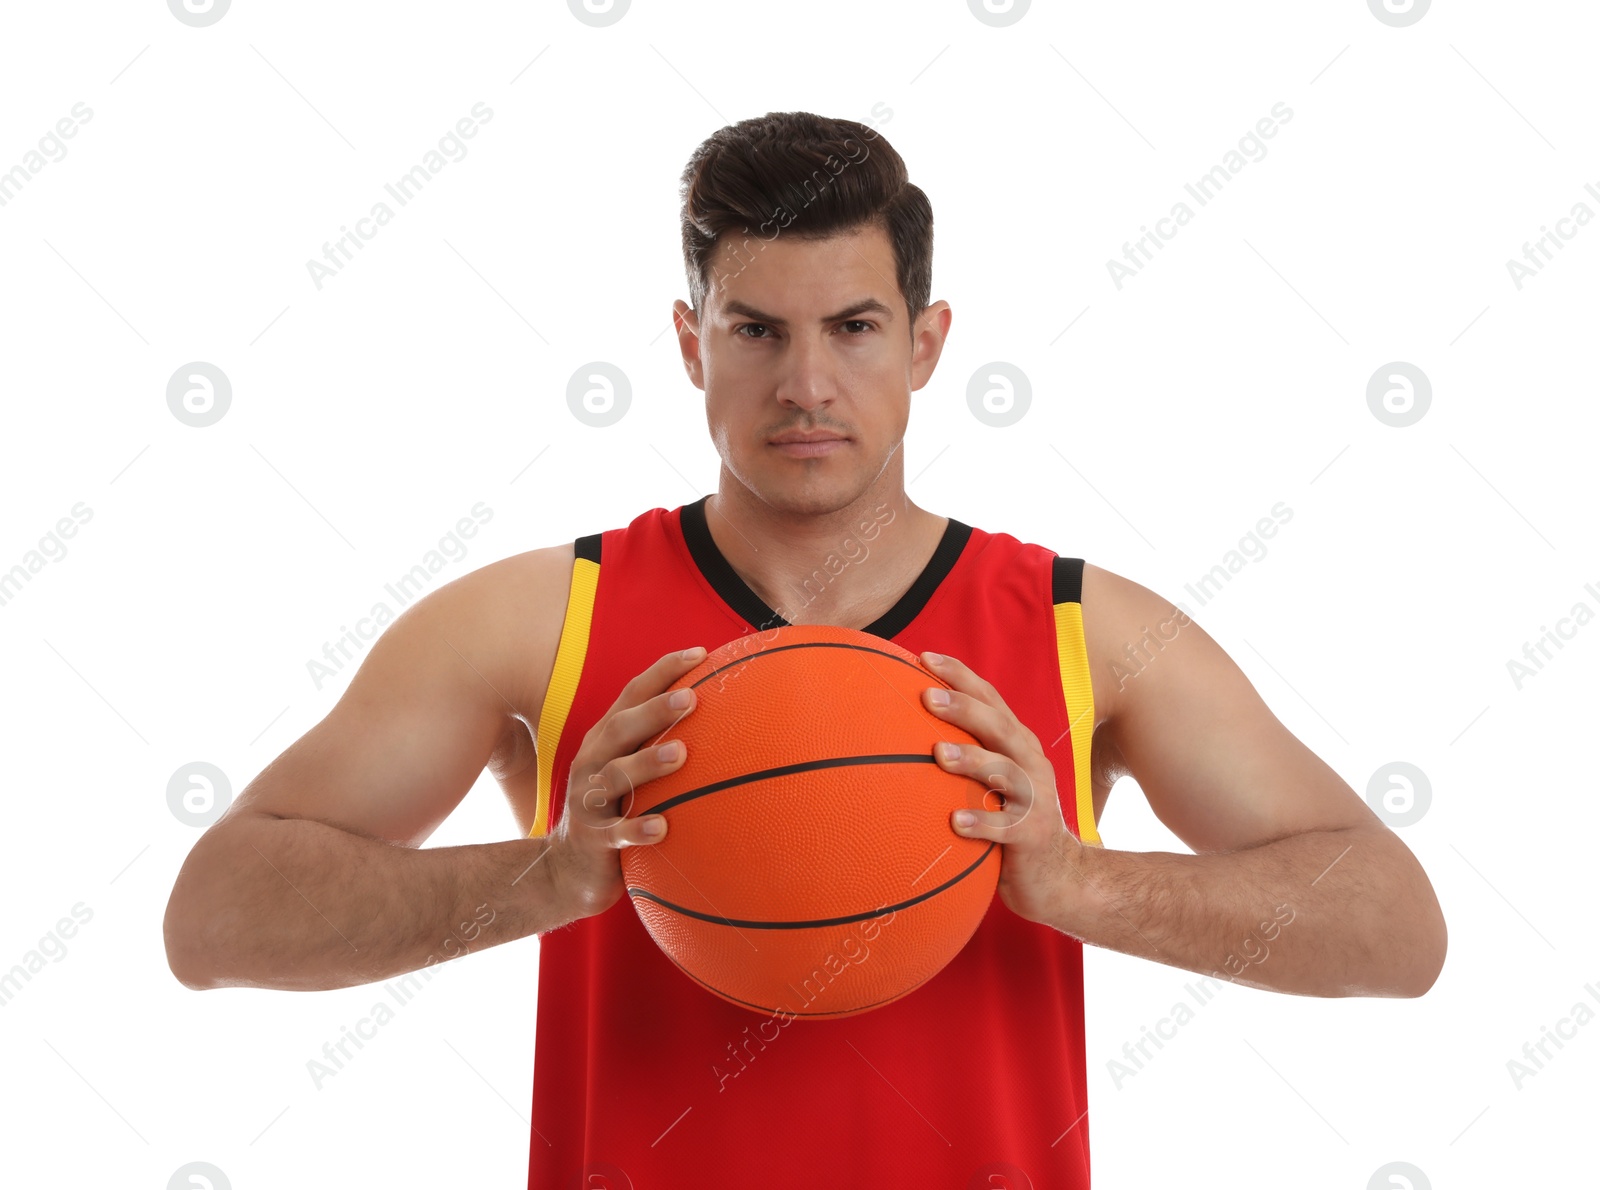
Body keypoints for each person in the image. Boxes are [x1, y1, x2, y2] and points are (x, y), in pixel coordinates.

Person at [163, 111, 1447, 1187]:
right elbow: (214, 916)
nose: (806, 384)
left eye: (853, 325)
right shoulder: (539, 620)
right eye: (755, 330)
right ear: (689, 343)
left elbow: (1396, 929)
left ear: (926, 342)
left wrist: (1077, 883)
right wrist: (543, 878)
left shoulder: (1080, 627)